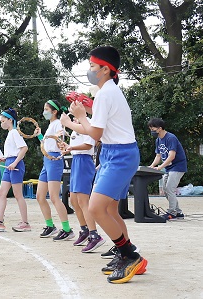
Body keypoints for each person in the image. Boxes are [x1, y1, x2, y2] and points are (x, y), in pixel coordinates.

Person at [60, 46, 147, 283]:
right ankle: (124, 253)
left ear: (106, 70)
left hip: (119, 156)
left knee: (96, 208)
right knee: (108, 209)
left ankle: (130, 256)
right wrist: (78, 118)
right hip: (113, 154)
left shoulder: (107, 94)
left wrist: (79, 116)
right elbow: (93, 129)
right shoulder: (106, 93)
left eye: (92, 67)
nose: (89, 71)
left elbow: (93, 134)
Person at [62, 117, 106, 252]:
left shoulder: (88, 123)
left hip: (84, 161)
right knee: (74, 200)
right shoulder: (76, 126)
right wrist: (67, 147)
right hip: (76, 160)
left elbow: (88, 145)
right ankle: (85, 230)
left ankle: (95, 235)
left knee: (82, 200)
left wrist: (71, 147)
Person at [33, 100, 75, 239]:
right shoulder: (50, 125)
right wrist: (40, 135)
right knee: (40, 196)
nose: (44, 112)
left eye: (46, 109)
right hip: (47, 160)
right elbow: (47, 144)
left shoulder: (58, 123)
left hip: (55, 159)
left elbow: (59, 135)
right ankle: (50, 226)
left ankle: (67, 229)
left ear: (54, 111)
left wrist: (59, 135)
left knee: (54, 196)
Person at [0, 108, 30, 232]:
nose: (1, 123)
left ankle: (25, 223)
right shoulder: (10, 133)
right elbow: (12, 152)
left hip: (16, 165)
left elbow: (24, 148)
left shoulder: (15, 132)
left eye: (3, 121)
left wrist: (15, 163)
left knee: (17, 194)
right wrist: (3, 159)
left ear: (10, 120)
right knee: (2, 192)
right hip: (9, 163)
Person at [148, 117, 187, 220]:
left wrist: (160, 167)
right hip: (169, 167)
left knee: (170, 188)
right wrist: (152, 166)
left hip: (178, 166)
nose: (152, 131)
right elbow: (158, 156)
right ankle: (178, 212)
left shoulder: (171, 138)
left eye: (153, 129)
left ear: (160, 128)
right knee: (165, 190)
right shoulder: (158, 140)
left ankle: (172, 212)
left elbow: (171, 156)